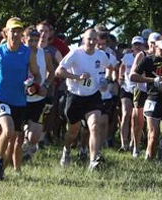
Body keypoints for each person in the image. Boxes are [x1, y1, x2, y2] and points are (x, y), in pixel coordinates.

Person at [0, 17, 41, 180]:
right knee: (7, 129)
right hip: (0, 99)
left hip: (19, 101)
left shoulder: (27, 53)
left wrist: (32, 84)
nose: (15, 34)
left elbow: (37, 75)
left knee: (13, 138)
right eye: (12, 31)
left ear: (22, 34)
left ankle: (1, 167)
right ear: (6, 32)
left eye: (19, 31)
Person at [56, 28, 110, 170]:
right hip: (75, 96)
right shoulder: (75, 53)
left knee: (95, 126)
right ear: (83, 39)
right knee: (73, 132)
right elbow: (59, 71)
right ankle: (66, 150)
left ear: (97, 40)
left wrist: (105, 79)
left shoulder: (101, 55)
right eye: (89, 39)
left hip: (93, 96)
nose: (91, 42)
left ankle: (93, 160)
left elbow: (111, 67)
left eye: (94, 39)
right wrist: (77, 77)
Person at [20, 27, 54, 162]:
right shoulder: (19, 54)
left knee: (34, 136)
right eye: (30, 40)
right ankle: (21, 152)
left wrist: (45, 85)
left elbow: (51, 72)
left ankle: (30, 145)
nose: (33, 43)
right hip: (21, 97)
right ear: (23, 39)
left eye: (36, 40)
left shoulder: (44, 54)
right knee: (19, 129)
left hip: (38, 97)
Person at [129, 32, 160, 158]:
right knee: (139, 120)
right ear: (149, 44)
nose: (155, 46)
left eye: (157, 44)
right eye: (153, 43)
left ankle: (150, 147)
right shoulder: (142, 55)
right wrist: (147, 79)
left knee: (153, 122)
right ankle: (136, 147)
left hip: (156, 92)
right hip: (142, 90)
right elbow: (133, 74)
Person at [118, 36, 144, 153]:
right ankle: (124, 143)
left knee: (136, 118)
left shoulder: (145, 57)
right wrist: (120, 77)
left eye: (139, 44)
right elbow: (122, 67)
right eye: (135, 44)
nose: (137, 46)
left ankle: (134, 142)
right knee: (125, 114)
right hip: (127, 89)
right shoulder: (127, 57)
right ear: (132, 46)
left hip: (139, 89)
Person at [95, 32, 118, 148]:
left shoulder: (111, 57)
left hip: (105, 93)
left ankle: (101, 145)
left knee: (104, 122)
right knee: (94, 123)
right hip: (91, 93)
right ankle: (89, 144)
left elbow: (115, 71)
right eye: (98, 44)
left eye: (103, 44)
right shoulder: (88, 55)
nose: (100, 47)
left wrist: (111, 80)